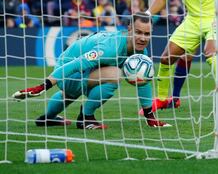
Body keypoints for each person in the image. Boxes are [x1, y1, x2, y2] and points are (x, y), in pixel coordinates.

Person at [12, 13, 170, 129]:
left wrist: (150, 117)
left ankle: (47, 118)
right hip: (67, 70)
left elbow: (144, 83)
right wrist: (44, 85)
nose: (143, 38)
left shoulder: (141, 54)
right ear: (129, 29)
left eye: (147, 34)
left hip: (78, 74)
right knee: (115, 74)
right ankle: (86, 118)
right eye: (138, 32)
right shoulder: (110, 47)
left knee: (69, 95)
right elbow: (76, 64)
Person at [143, 0, 217, 111]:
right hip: (192, 20)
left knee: (212, 56)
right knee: (166, 58)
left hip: (214, 18)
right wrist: (146, 15)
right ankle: (161, 99)